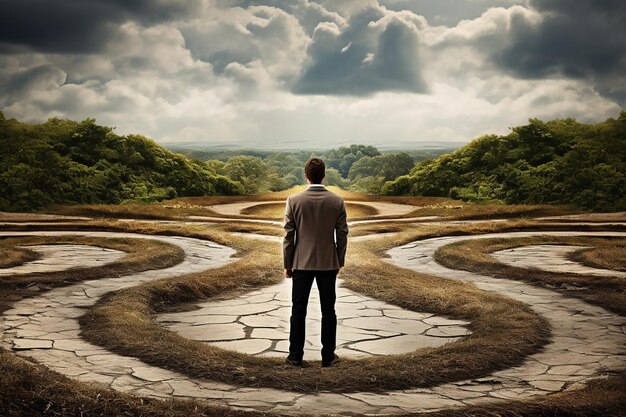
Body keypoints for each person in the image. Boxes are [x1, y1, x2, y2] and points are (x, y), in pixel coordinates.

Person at [283, 157, 349, 367]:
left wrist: (287, 264)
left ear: (306, 175)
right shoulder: (337, 201)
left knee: (298, 310)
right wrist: (338, 261)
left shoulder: (294, 200)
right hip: (328, 264)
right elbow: (343, 234)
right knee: (328, 310)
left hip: (301, 262)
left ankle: (295, 356)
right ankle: (328, 356)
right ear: (324, 175)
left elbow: (288, 235)